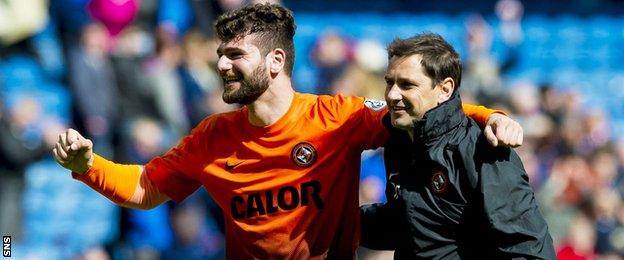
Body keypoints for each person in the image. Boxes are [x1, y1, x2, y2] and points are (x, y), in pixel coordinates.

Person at [52, 3, 523, 258]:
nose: (221, 64)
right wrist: (88, 166)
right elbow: (145, 188)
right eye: (221, 54)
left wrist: (491, 116)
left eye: (236, 55)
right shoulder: (212, 137)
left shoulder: (337, 117)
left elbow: (422, 111)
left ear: (276, 62)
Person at [359, 33, 555, 259]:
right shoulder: (402, 142)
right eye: (389, 82)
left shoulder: (484, 151)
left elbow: (528, 250)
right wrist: (330, 219)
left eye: (406, 85)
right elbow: (414, 223)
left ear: (444, 89)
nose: (392, 95)